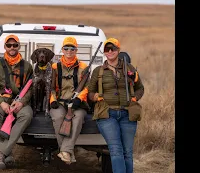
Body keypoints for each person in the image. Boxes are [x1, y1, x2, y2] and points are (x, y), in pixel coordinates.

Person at [87, 38, 144, 173]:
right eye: (107, 49)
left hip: (127, 114)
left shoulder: (129, 68)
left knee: (128, 152)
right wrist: (95, 97)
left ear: (118, 50)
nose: (110, 51)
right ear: (104, 52)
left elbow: (140, 88)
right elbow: (90, 92)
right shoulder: (98, 71)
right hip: (107, 114)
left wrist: (135, 98)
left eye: (113, 48)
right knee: (116, 149)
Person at [0, 34, 33, 169]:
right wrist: (1, 102)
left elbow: (30, 89)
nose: (12, 48)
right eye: (9, 45)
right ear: (5, 47)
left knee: (27, 115)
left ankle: (1, 151)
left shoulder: (27, 66)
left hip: (19, 101)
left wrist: (21, 102)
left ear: (19, 46)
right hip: (2, 100)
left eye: (15, 45)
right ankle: (8, 151)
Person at [49, 36, 89, 165]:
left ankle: (65, 151)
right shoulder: (54, 67)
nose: (69, 51)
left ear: (76, 50)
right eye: (66, 48)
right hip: (60, 102)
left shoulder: (83, 67)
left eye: (72, 48)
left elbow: (87, 87)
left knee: (78, 117)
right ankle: (67, 151)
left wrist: (79, 98)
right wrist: (52, 100)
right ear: (62, 50)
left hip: (77, 103)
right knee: (58, 117)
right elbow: (50, 88)